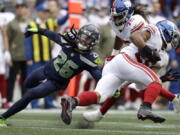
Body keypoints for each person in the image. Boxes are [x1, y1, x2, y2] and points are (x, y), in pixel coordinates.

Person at [60, 1, 180, 125]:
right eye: (174, 37)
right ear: (166, 32)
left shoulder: (163, 57)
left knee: (99, 96)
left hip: (117, 65)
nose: (174, 42)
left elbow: (143, 85)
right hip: (125, 61)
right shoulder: (153, 30)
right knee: (155, 81)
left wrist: (162, 79)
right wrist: (146, 49)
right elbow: (135, 37)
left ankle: (72, 102)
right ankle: (146, 108)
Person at [0, 24, 102, 127]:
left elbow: (98, 76)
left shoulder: (89, 59)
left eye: (88, 39)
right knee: (26, 84)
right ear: (79, 35)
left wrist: (110, 85)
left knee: (30, 95)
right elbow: (49, 34)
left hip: (56, 82)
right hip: (45, 70)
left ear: (93, 43)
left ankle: (2, 118)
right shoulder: (68, 41)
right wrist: (36, 30)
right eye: (84, 37)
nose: (84, 41)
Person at [6, 2, 30, 105]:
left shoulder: (30, 22)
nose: (20, 10)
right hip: (15, 55)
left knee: (26, 79)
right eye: (18, 8)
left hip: (27, 56)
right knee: (12, 79)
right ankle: (9, 100)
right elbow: (7, 39)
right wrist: (8, 54)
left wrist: (31, 56)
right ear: (16, 10)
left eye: (23, 8)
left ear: (26, 9)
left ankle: (24, 100)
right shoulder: (11, 23)